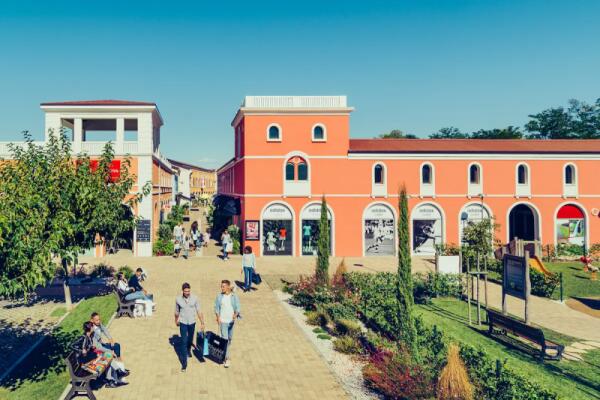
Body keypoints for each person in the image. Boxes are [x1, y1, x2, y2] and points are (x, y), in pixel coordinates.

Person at [79, 321, 128, 388]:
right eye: (93, 326)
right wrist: (83, 351)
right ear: (90, 328)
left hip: (91, 358)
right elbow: (75, 347)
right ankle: (113, 377)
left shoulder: (90, 335)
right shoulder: (84, 337)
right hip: (87, 363)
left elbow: (92, 347)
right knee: (106, 359)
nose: (94, 327)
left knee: (108, 357)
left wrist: (92, 349)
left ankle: (116, 374)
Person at [174, 282, 205, 372]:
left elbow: (199, 311)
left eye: (188, 291)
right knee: (184, 342)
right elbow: (176, 312)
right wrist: (176, 320)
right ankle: (184, 364)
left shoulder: (195, 298)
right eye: (185, 291)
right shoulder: (178, 299)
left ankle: (188, 349)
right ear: (182, 291)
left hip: (192, 322)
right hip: (183, 322)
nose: (187, 293)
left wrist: (202, 322)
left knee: (190, 339)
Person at [214, 280, 240, 368]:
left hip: (231, 322)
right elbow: (216, 308)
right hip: (223, 322)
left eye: (223, 286)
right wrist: (218, 317)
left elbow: (238, 306)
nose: (222, 288)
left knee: (229, 339)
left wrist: (235, 314)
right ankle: (227, 358)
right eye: (221, 286)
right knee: (225, 340)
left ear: (228, 286)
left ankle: (224, 352)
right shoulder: (219, 296)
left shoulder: (234, 296)